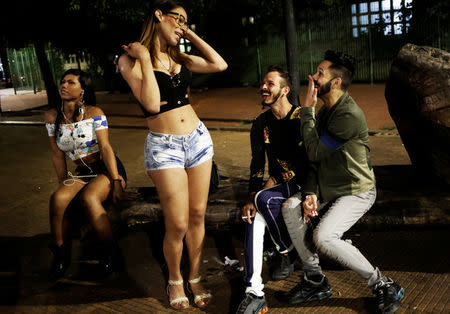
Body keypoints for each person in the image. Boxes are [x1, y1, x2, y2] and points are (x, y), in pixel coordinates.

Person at [118, 0, 227, 310]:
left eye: (186, 21)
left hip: (198, 141)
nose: (181, 25)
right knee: (177, 223)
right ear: (158, 15)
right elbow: (152, 104)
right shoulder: (130, 60)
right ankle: (175, 278)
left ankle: (194, 276)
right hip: (164, 147)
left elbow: (220, 65)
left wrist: (190, 35)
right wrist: (142, 55)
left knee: (197, 215)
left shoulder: (179, 55)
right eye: (177, 19)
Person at [280, 50, 405, 313]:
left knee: (324, 236)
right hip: (328, 187)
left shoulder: (348, 115)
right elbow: (315, 161)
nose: (313, 77)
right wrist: (311, 192)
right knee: (290, 207)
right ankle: (314, 279)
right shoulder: (326, 111)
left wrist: (307, 109)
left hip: (356, 190)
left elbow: (313, 151)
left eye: (320, 73)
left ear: (336, 82)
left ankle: (383, 284)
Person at [44, 69, 137, 280]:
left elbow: (105, 148)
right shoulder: (51, 116)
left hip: (105, 167)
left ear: (82, 90)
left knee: (90, 198)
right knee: (58, 199)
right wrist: (63, 185)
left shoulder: (95, 113)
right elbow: (57, 155)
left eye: (71, 82)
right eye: (62, 81)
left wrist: (116, 181)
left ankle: (110, 254)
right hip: (81, 171)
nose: (64, 85)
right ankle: (61, 254)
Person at [236, 65, 309, 314]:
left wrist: (267, 186)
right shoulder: (261, 123)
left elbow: (305, 162)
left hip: (304, 183)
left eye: (270, 84)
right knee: (251, 215)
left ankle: (286, 252)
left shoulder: (301, 118)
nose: (264, 88)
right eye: (263, 83)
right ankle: (254, 292)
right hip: (276, 187)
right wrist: (251, 197)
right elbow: (257, 165)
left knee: (264, 199)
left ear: (285, 90)